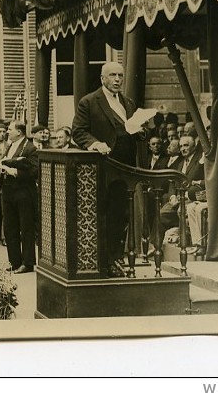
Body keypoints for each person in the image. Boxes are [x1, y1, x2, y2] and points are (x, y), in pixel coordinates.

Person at [71, 61, 138, 275]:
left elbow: (134, 132)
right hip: (102, 169)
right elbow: (78, 131)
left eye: (120, 75)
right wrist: (95, 144)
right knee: (103, 216)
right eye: (112, 75)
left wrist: (141, 128)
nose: (117, 79)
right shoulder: (89, 102)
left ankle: (116, 259)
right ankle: (103, 262)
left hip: (125, 169)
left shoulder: (128, 103)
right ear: (102, 78)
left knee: (121, 215)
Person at [0, 120, 38, 273]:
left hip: (23, 193)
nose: (7, 132)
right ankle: (14, 262)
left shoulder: (30, 148)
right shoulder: (10, 146)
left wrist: (15, 172)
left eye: (10, 129)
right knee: (10, 228)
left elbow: (35, 171)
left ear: (19, 132)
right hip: (8, 192)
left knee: (25, 228)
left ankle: (27, 263)